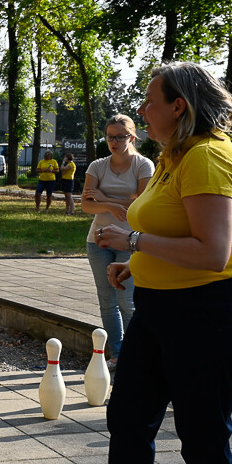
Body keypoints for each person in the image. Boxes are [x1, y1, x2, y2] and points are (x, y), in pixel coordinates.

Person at [52, 62, 232, 464]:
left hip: (216, 311)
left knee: (201, 438)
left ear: (180, 106)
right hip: (165, 306)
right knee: (128, 419)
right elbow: (174, 232)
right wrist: (141, 265)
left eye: (151, 101)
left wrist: (133, 245)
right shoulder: (175, 158)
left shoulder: (208, 155)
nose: (144, 109)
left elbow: (214, 252)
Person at [81, 115, 154, 365]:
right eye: (110, 136)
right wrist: (112, 205)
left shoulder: (143, 166)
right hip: (98, 241)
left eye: (120, 136)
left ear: (132, 137)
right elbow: (85, 205)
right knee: (106, 300)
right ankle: (117, 353)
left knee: (127, 300)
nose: (114, 141)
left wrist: (104, 199)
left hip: (130, 240)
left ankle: (137, 353)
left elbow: (143, 205)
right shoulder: (97, 166)